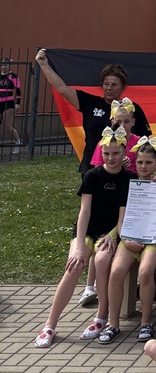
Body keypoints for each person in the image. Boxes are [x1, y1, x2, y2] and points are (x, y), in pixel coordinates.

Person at [33, 129, 130, 347]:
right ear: (100, 152)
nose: (111, 158)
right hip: (86, 232)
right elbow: (84, 213)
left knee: (102, 260)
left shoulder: (128, 179)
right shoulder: (92, 176)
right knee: (74, 265)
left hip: (109, 233)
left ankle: (101, 316)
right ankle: (50, 324)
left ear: (124, 152)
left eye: (116, 153)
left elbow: (125, 216)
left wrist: (113, 235)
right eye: (106, 153)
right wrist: (78, 247)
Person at [34, 49, 150, 173]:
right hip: (91, 167)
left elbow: (144, 143)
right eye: (106, 84)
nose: (109, 88)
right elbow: (62, 89)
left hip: (126, 170)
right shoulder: (90, 102)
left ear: (123, 87)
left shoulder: (132, 108)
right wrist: (44, 65)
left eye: (114, 85)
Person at [100, 137, 156, 345]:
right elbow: (121, 221)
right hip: (130, 236)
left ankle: (146, 322)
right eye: (139, 162)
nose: (143, 166)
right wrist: (126, 239)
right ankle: (113, 324)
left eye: (148, 162)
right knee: (116, 271)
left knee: (145, 271)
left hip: (154, 239)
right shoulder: (128, 186)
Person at [88, 99, 140, 171]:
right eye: (118, 122)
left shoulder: (139, 143)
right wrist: (116, 165)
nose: (122, 126)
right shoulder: (104, 142)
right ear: (112, 122)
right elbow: (97, 170)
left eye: (126, 121)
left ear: (133, 122)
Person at [0, 57, 22, 151]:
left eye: (5, 65)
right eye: (2, 65)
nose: (3, 67)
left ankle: (18, 142)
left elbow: (18, 90)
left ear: (9, 65)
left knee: (7, 127)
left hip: (8, 104)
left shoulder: (13, 76)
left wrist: (18, 103)